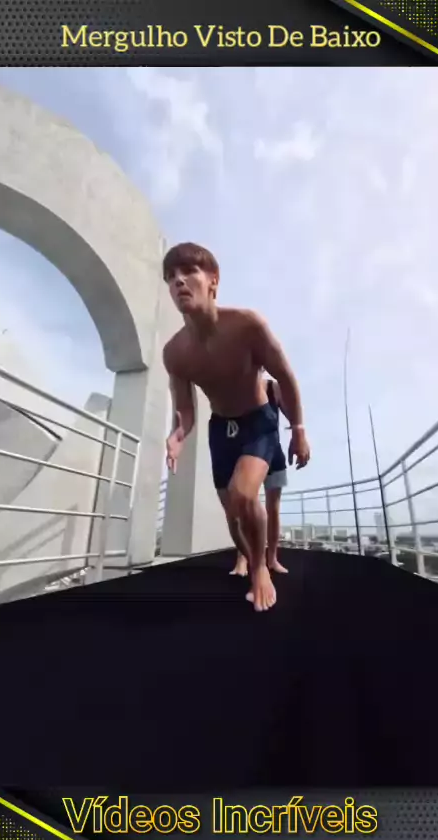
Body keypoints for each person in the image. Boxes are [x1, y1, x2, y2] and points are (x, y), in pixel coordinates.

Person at [162, 242, 310, 613]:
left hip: (258, 421)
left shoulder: (247, 325)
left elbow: (285, 377)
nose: (179, 281)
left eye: (189, 272)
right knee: (232, 514)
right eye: (171, 277)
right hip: (220, 427)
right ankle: (248, 557)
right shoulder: (175, 352)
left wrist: (298, 429)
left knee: (245, 495)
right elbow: (185, 407)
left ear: (213, 280)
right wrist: (178, 435)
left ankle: (261, 568)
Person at [230, 375, 289, 578]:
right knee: (245, 507)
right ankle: (242, 560)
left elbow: (291, 412)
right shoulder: (239, 388)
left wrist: (298, 430)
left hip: (274, 455)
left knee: (273, 509)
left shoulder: (274, 388)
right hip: (248, 456)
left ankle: (272, 559)